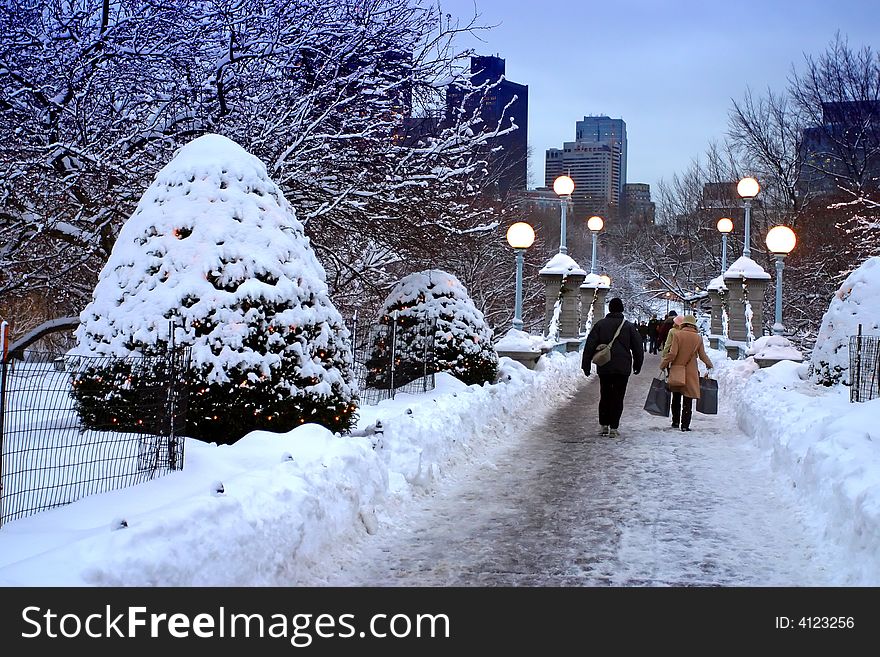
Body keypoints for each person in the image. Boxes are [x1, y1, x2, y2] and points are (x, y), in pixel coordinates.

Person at [582, 297, 644, 438]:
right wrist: (637, 364)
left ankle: (604, 424)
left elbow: (590, 345)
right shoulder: (628, 326)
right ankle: (614, 427)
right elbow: (637, 347)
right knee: (618, 396)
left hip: (605, 366)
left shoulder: (600, 325)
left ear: (609, 309)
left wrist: (585, 364)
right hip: (622, 368)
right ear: (621, 309)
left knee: (605, 395)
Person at [658, 314, 713, 431]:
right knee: (688, 399)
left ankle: (675, 421)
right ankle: (685, 425)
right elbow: (702, 355)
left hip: (678, 369)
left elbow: (672, 354)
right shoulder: (698, 338)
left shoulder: (677, 335)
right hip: (691, 372)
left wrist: (664, 364)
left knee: (676, 396)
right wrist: (709, 364)